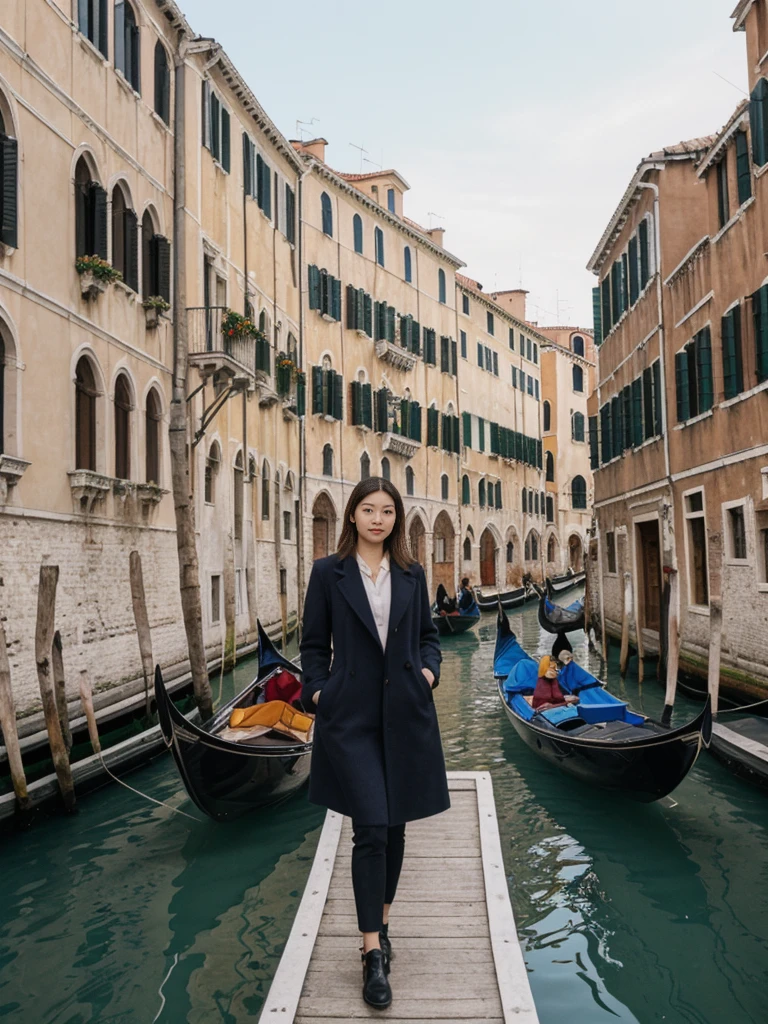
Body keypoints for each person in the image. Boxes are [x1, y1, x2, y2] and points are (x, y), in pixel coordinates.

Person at [300, 477, 450, 1010]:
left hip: (406, 714)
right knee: (370, 829)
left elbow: (429, 639)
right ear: (352, 516)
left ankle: (382, 923)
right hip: (351, 719)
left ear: (396, 518)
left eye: (387, 511)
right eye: (368, 510)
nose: (378, 519)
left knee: (395, 825)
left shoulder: (411, 574)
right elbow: (313, 646)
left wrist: (428, 675)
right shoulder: (327, 573)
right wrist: (319, 692)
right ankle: (371, 955)